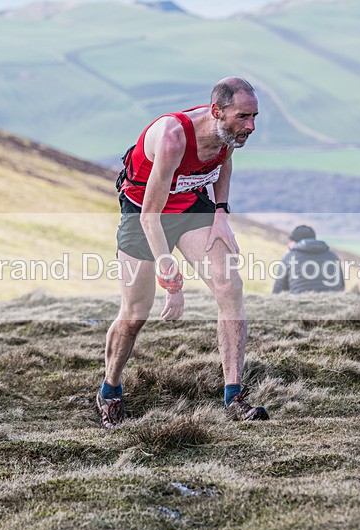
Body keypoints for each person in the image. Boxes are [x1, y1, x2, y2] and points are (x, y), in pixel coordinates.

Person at [96, 77, 269, 429]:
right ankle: (109, 391)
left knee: (229, 287)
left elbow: (224, 164)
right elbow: (150, 215)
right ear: (217, 111)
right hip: (145, 210)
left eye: (254, 117)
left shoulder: (229, 133)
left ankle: (234, 397)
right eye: (242, 117)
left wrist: (220, 212)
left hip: (191, 207)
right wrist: (168, 273)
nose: (250, 126)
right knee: (134, 313)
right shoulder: (175, 137)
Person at [272, 225, 345, 294]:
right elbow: (341, 286)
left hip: (299, 304)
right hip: (332, 303)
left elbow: (278, 290)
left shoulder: (289, 257)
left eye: (291, 241)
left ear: (295, 242)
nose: (288, 244)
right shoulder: (333, 256)